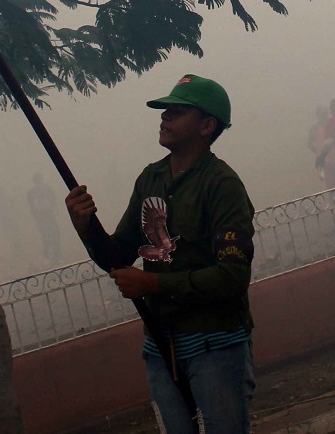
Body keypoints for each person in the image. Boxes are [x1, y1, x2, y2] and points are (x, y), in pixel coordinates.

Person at [64, 73, 256, 434]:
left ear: (206, 125)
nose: (164, 116)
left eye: (177, 111)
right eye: (165, 110)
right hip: (160, 343)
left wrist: (151, 283)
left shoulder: (222, 185)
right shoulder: (150, 179)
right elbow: (117, 257)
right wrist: (86, 228)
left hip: (215, 342)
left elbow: (232, 277)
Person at [27, 173, 64, 265]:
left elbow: (53, 201)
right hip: (44, 217)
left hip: (47, 217)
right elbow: (33, 207)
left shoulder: (43, 190)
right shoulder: (37, 191)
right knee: (49, 236)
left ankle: (54, 256)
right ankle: (52, 256)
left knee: (51, 235)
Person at [305, 105, 330, 182]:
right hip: (324, 161)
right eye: (323, 114)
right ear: (318, 115)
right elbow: (309, 144)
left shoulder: (334, 124)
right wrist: (318, 153)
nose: (325, 116)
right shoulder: (314, 128)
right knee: (330, 183)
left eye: (326, 113)